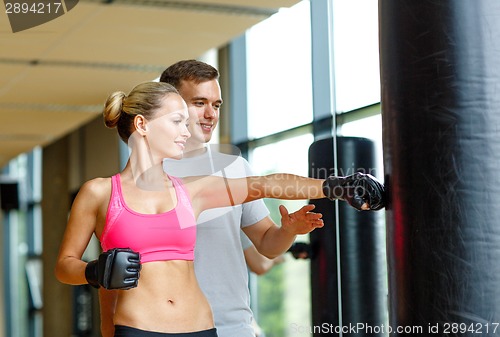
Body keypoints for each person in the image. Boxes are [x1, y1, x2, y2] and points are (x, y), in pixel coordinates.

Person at [54, 81, 384, 336]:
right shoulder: (99, 192)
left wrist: (336, 186)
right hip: (138, 328)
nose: (186, 132)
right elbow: (64, 265)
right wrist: (93, 271)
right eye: (177, 121)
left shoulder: (192, 193)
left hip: (201, 327)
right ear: (142, 124)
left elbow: (264, 184)